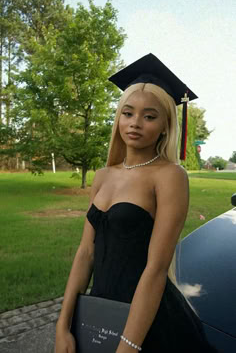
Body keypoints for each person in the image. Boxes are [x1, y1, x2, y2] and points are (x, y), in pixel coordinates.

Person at [55, 54, 218, 353]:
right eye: (127, 113)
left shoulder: (170, 177)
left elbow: (156, 268)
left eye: (149, 116)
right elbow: (85, 253)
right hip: (99, 312)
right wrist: (63, 326)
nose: (135, 124)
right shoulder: (103, 176)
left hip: (148, 322)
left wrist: (128, 346)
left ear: (166, 125)